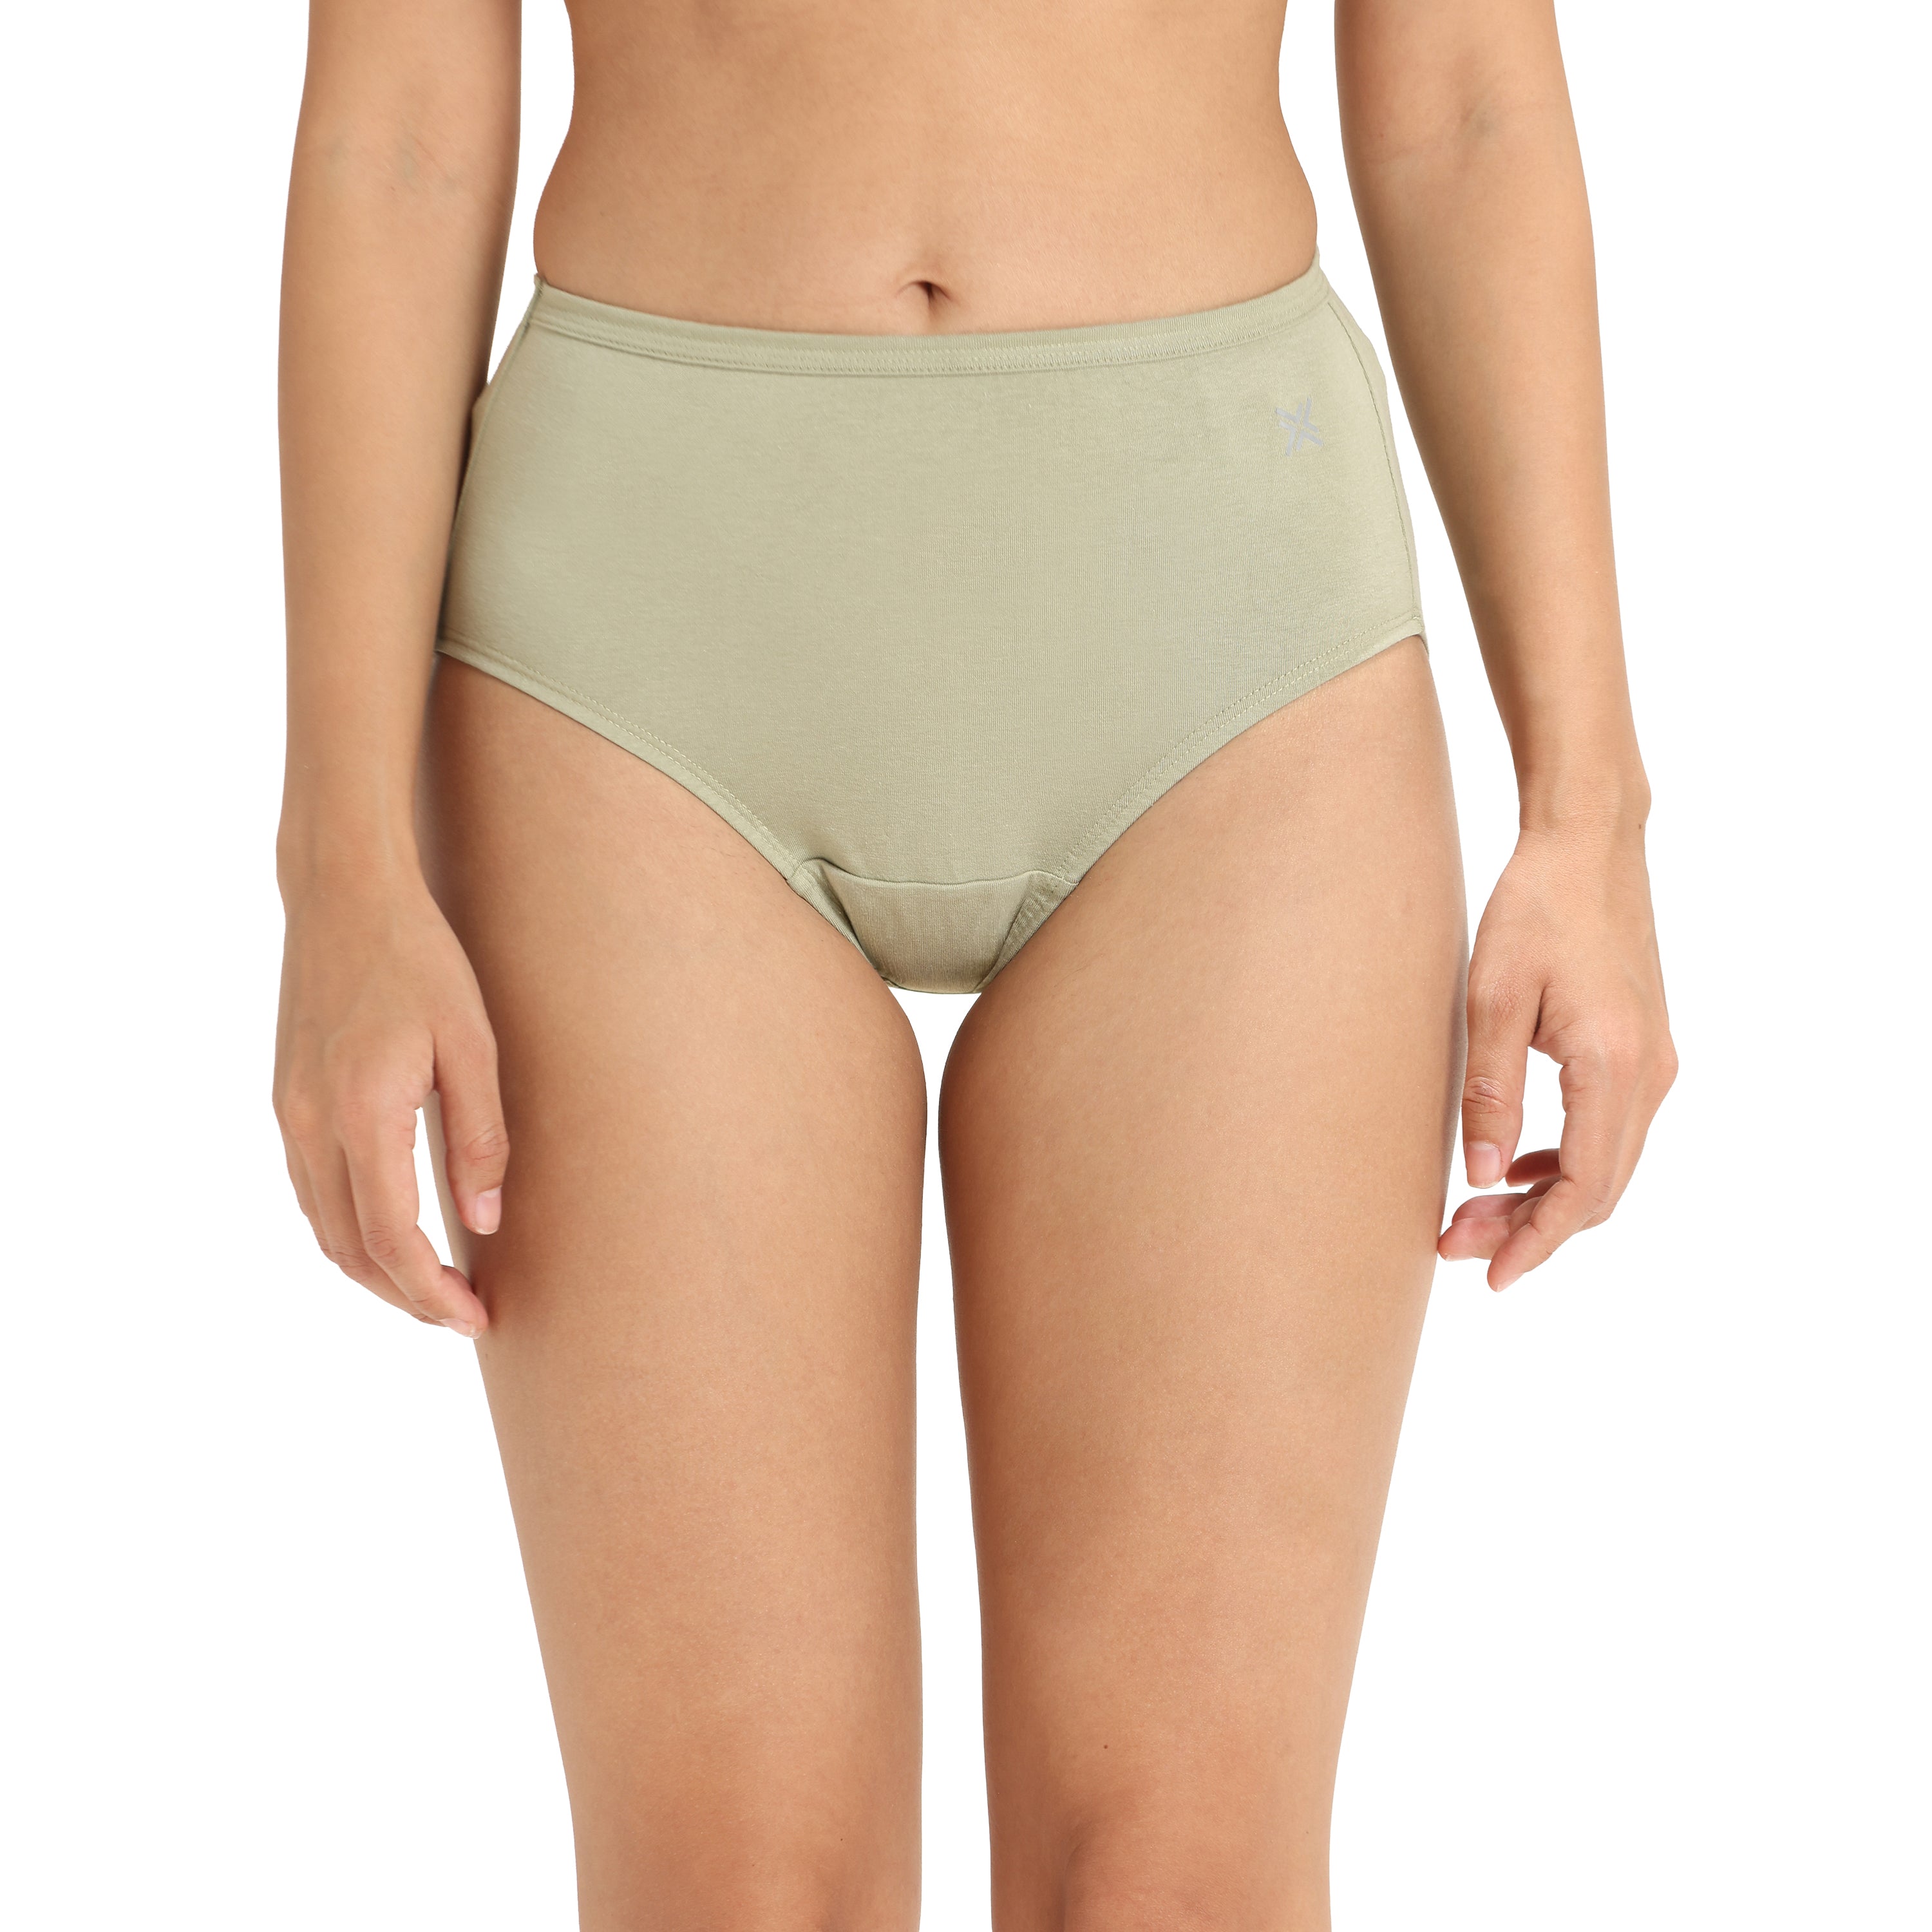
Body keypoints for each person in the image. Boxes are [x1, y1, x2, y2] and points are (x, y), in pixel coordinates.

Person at [272, 0, 1676, 1923]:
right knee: (734, 1890)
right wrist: (340, 869)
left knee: (1181, 1879)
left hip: (1222, 618)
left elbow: (1466, 102)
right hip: (642, 628)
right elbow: (403, 129)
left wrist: (1591, 817)